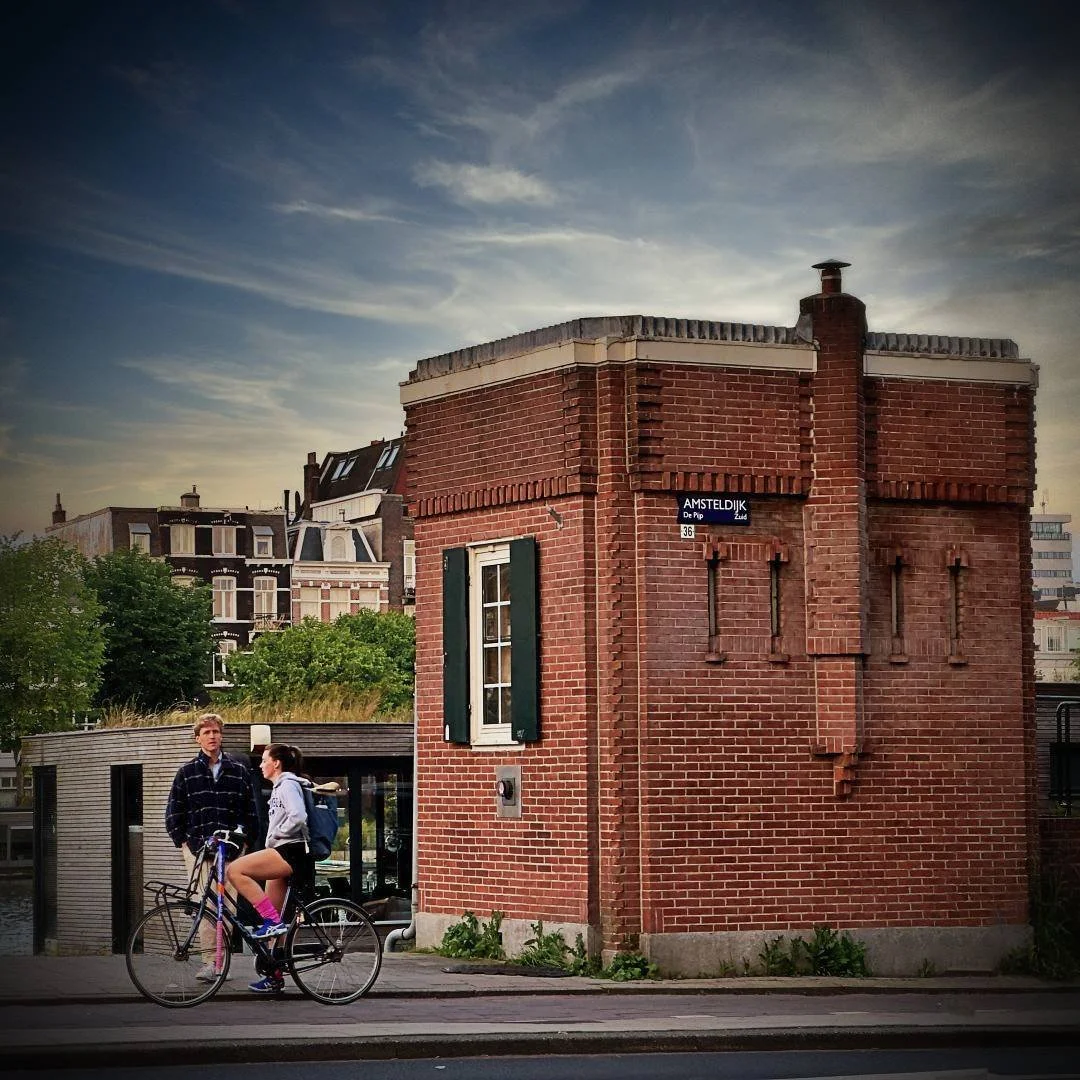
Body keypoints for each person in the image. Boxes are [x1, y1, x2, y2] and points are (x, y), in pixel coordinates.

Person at [165, 712, 259, 982]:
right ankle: (210, 962)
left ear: (222, 735)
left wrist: (246, 841)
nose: (212, 736)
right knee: (203, 903)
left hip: (231, 849)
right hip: (199, 848)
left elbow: (250, 811)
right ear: (198, 739)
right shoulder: (186, 773)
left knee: (227, 905)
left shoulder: (238, 771)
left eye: (216, 731)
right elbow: (174, 811)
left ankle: (221, 960)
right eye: (206, 733)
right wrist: (183, 841)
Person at [226, 742, 313, 994]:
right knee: (273, 919)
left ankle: (273, 924)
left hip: (289, 852)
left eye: (265, 760)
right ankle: (275, 976)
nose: (261, 765)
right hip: (286, 852)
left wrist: (277, 836)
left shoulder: (287, 784)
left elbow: (298, 816)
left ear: (276, 763)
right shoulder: (281, 786)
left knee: (236, 871)